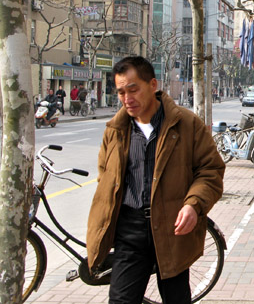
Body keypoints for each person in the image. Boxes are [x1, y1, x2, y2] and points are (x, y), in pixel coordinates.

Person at [86, 56, 225, 304]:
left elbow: (211, 170)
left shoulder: (186, 124)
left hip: (172, 228)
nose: (127, 98)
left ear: (152, 85)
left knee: (175, 298)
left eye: (133, 89)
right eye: (120, 92)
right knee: (121, 300)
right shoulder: (116, 130)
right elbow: (105, 177)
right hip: (130, 230)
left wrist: (193, 204)